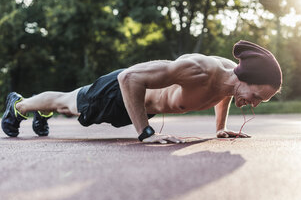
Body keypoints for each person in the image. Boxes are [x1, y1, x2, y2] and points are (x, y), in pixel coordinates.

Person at [1, 40, 282, 144]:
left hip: (138, 107)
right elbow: (128, 77)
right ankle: (19, 105)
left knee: (68, 104)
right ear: (244, 77)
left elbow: (224, 95)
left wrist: (220, 128)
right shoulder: (201, 70)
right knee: (67, 104)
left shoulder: (231, 82)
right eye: (256, 96)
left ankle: (39, 112)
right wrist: (146, 133)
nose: (252, 104)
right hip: (118, 91)